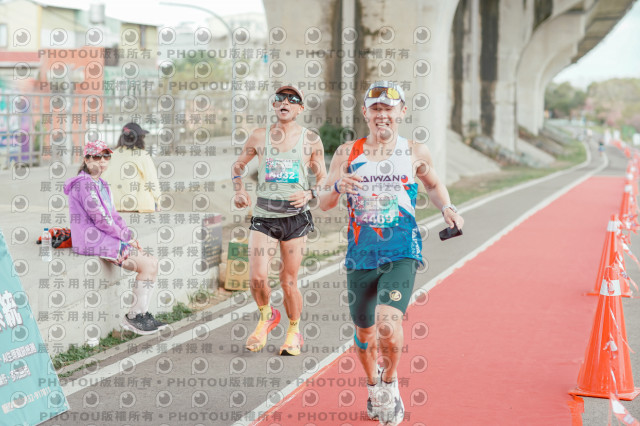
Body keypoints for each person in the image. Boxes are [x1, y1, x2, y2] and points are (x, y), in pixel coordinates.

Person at [318, 81, 464, 425]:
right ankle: (373, 387)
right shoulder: (346, 153)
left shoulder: (414, 151)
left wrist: (448, 208)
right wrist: (337, 186)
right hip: (360, 255)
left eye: (389, 109)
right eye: (376, 109)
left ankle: (391, 382)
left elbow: (433, 185)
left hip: (402, 250)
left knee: (387, 323)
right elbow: (323, 202)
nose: (382, 115)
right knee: (365, 332)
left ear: (402, 112)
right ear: (365, 113)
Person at [232, 84, 327, 356]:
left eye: (292, 99)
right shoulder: (259, 136)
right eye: (280, 98)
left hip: (296, 219)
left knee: (288, 281)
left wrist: (309, 193)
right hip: (264, 216)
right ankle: (267, 316)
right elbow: (238, 166)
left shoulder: (310, 139)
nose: (285, 102)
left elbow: (323, 178)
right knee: (257, 277)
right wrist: (239, 189)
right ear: (274, 105)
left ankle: (294, 332)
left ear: (300, 108)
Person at [64, 140, 166, 335]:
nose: (102, 161)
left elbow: (113, 215)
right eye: (96, 156)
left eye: (106, 156)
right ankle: (133, 317)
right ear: (86, 159)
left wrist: (128, 235)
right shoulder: (84, 184)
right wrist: (124, 238)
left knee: (153, 262)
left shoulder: (101, 184)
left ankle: (142, 314)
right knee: (147, 265)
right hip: (93, 239)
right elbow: (100, 218)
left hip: (106, 237)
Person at [102, 122, 160, 213]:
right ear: (139, 139)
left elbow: (103, 178)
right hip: (137, 205)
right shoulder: (142, 155)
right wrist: (158, 201)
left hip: (114, 204)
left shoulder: (112, 155)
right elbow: (152, 181)